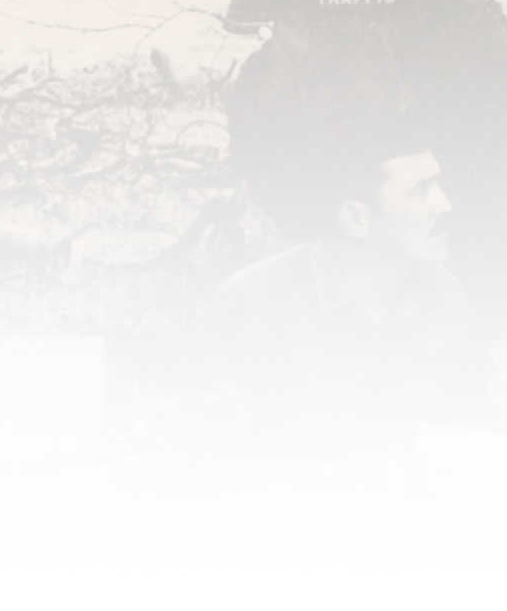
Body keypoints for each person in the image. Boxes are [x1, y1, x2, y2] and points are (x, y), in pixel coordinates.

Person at [178, 41, 469, 500]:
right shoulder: (254, 307)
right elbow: (200, 469)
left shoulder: (444, 298)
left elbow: (451, 457)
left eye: (438, 182)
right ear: (357, 219)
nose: (445, 203)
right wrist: (349, 479)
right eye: (421, 190)